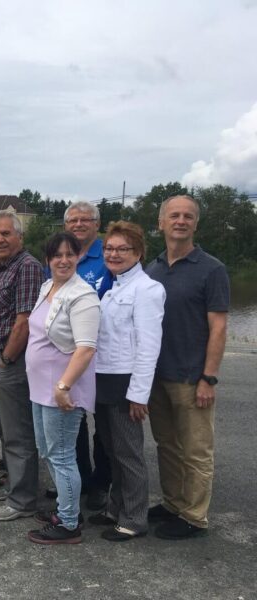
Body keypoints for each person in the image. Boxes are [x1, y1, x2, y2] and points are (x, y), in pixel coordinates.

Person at [145, 194, 229, 540]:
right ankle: (173, 502)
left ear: (196, 224)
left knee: (196, 449)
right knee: (167, 444)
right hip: (157, 376)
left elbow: (219, 328)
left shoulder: (212, 269)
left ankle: (194, 516)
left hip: (192, 378)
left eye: (188, 216)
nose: (181, 221)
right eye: (174, 215)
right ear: (161, 223)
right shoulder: (152, 268)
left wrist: (208, 377)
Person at [91, 222, 165, 541]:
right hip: (103, 378)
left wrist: (139, 395)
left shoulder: (147, 289)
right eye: (109, 248)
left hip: (125, 383)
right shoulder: (113, 288)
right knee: (111, 451)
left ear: (138, 253)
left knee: (128, 454)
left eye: (123, 249)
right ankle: (116, 507)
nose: (114, 254)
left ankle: (134, 518)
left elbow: (149, 347)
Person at [24, 232, 99, 545]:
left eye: (70, 254)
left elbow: (86, 348)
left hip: (62, 391)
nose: (64, 260)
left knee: (63, 456)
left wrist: (64, 386)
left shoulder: (83, 297)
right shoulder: (47, 287)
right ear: (48, 259)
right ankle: (66, 508)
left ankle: (69, 524)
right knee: (49, 452)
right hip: (41, 388)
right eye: (57, 255)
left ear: (79, 257)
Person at [0, 209, 45, 521]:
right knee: (7, 430)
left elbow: (25, 321)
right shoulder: (0, 269)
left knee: (19, 432)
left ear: (20, 237)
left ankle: (22, 500)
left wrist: (6, 359)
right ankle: (14, 487)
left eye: (6, 233)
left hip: (13, 361)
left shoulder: (28, 267)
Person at [59, 201, 113, 511]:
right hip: (66, 357)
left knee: (103, 426)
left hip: (101, 356)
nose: (79, 224)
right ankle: (78, 479)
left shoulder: (108, 255)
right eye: (73, 220)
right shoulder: (61, 255)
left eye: (85, 219)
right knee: (72, 424)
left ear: (97, 223)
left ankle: (101, 484)